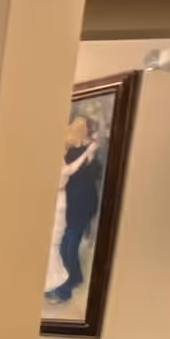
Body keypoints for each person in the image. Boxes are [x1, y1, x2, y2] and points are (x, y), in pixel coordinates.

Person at [45, 113, 103, 305]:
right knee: (66, 244)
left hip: (80, 206)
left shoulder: (87, 153)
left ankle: (64, 290)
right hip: (68, 205)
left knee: (67, 245)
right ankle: (75, 277)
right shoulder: (68, 151)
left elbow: (92, 174)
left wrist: (91, 155)